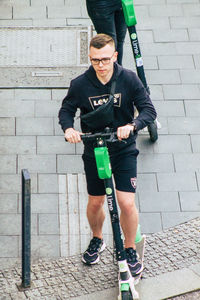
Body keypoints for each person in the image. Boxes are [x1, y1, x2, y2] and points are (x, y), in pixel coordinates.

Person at [58, 34, 157, 278]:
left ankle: (130, 248)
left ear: (114, 56)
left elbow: (149, 110)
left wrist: (133, 125)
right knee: (95, 201)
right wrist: (69, 129)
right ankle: (97, 239)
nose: (100, 65)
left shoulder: (129, 80)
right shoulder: (80, 84)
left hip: (123, 149)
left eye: (105, 59)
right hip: (96, 149)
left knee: (126, 203)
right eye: (94, 60)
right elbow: (66, 110)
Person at [86, 0, 127, 65]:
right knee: (109, 43)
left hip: (122, 2)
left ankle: (118, 71)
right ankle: (113, 72)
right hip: (101, 4)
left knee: (120, 40)